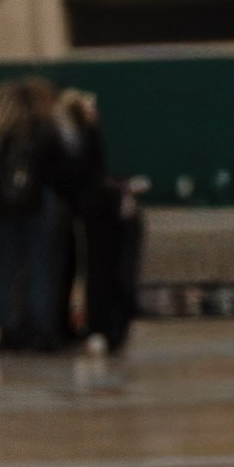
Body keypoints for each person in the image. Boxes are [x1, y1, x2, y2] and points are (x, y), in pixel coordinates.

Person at [0, 76, 66, 354]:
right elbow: (58, 171)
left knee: (4, 273)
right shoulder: (44, 129)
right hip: (38, 207)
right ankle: (41, 331)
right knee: (39, 270)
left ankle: (8, 331)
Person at [54, 86, 140, 364]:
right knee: (97, 268)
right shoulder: (81, 135)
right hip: (94, 210)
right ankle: (99, 325)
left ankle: (98, 325)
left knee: (93, 268)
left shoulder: (78, 136)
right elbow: (88, 173)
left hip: (92, 207)